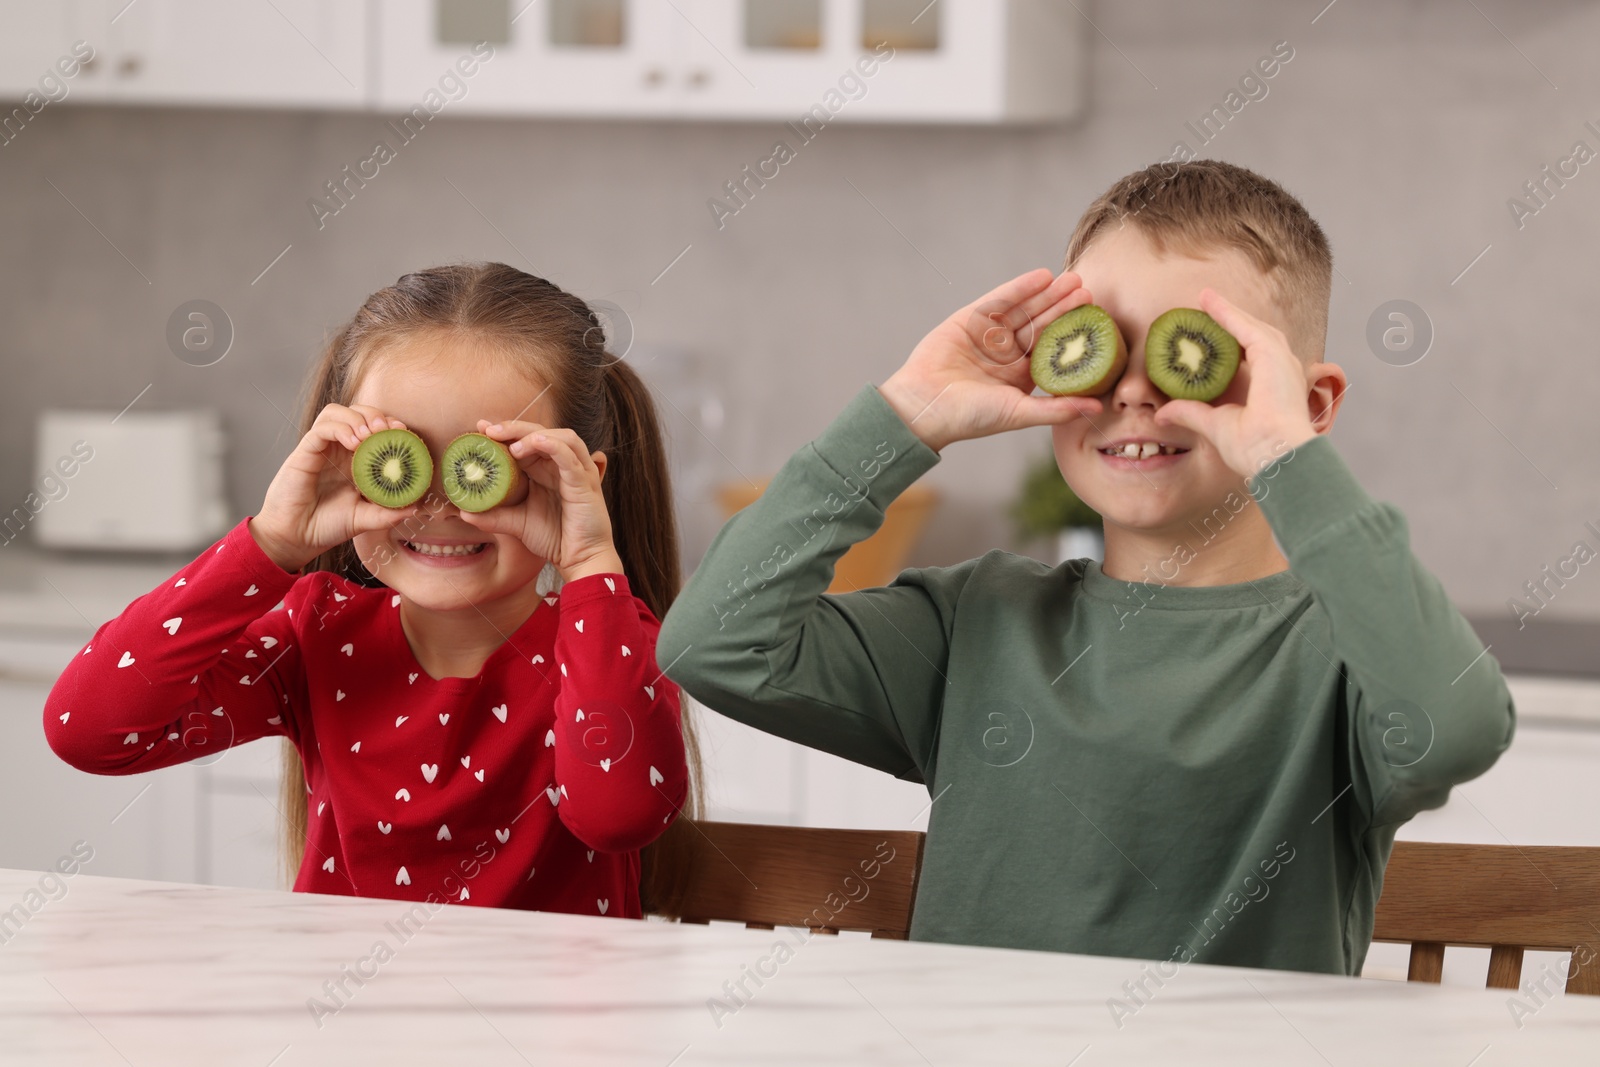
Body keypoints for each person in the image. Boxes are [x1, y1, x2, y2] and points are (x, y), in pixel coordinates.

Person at [655, 161, 1514, 975]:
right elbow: (716, 643)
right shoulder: (977, 623)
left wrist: (1288, 461)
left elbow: (1458, 724)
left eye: (1195, 351)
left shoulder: (1344, 657)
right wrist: (904, 417)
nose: (1136, 388)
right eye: (1098, 342)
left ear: (1310, 402)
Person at [46, 263, 700, 919]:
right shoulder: (319, 633)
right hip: (343, 1012)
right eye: (403, 458)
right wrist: (271, 542)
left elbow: (619, 815)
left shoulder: (609, 644)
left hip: (544, 1020)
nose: (440, 505)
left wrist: (590, 559)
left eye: (487, 465)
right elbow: (89, 731)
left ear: (574, 481)